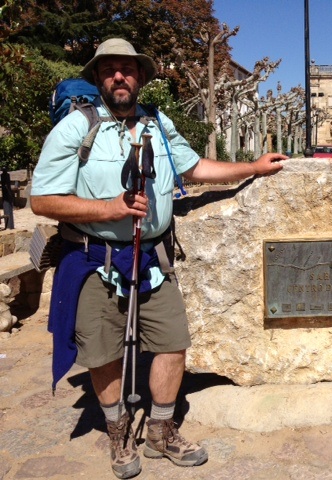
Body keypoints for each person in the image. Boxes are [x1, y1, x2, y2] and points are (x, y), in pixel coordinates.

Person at [30, 38, 286, 479]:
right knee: (103, 352)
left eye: (127, 69)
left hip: (151, 258)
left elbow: (195, 168)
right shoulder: (76, 128)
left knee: (172, 341)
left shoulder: (158, 123)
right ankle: (118, 432)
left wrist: (253, 167)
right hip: (94, 259)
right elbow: (42, 200)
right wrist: (107, 209)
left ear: (141, 77)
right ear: (98, 78)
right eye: (109, 70)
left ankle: (160, 432)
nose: (119, 76)